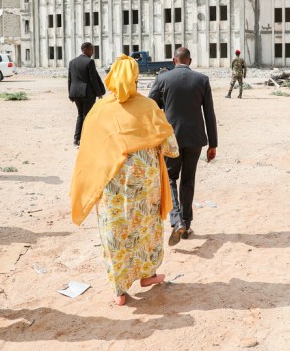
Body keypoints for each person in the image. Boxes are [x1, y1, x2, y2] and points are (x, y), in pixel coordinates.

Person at [69, 55, 179, 306]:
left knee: (115, 233)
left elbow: (89, 151)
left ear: (111, 78)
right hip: (146, 189)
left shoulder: (98, 111)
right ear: (135, 79)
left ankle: (119, 289)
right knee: (146, 229)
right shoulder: (149, 107)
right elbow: (171, 148)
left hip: (112, 189)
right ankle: (147, 275)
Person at [148, 47, 218, 244]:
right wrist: (213, 144)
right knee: (188, 180)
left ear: (174, 60)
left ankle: (176, 219)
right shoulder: (202, 79)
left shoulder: (163, 79)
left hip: (171, 139)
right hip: (195, 139)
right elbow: (209, 113)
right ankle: (186, 225)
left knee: (170, 178)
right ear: (190, 61)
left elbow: (150, 107)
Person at [68, 42, 106, 146]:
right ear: (85, 49)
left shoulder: (72, 62)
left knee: (80, 115)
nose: (92, 52)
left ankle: (76, 139)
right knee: (87, 116)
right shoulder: (89, 62)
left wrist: (70, 94)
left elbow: (70, 79)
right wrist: (99, 93)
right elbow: (93, 79)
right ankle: (85, 139)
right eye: (91, 50)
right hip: (87, 94)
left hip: (75, 93)